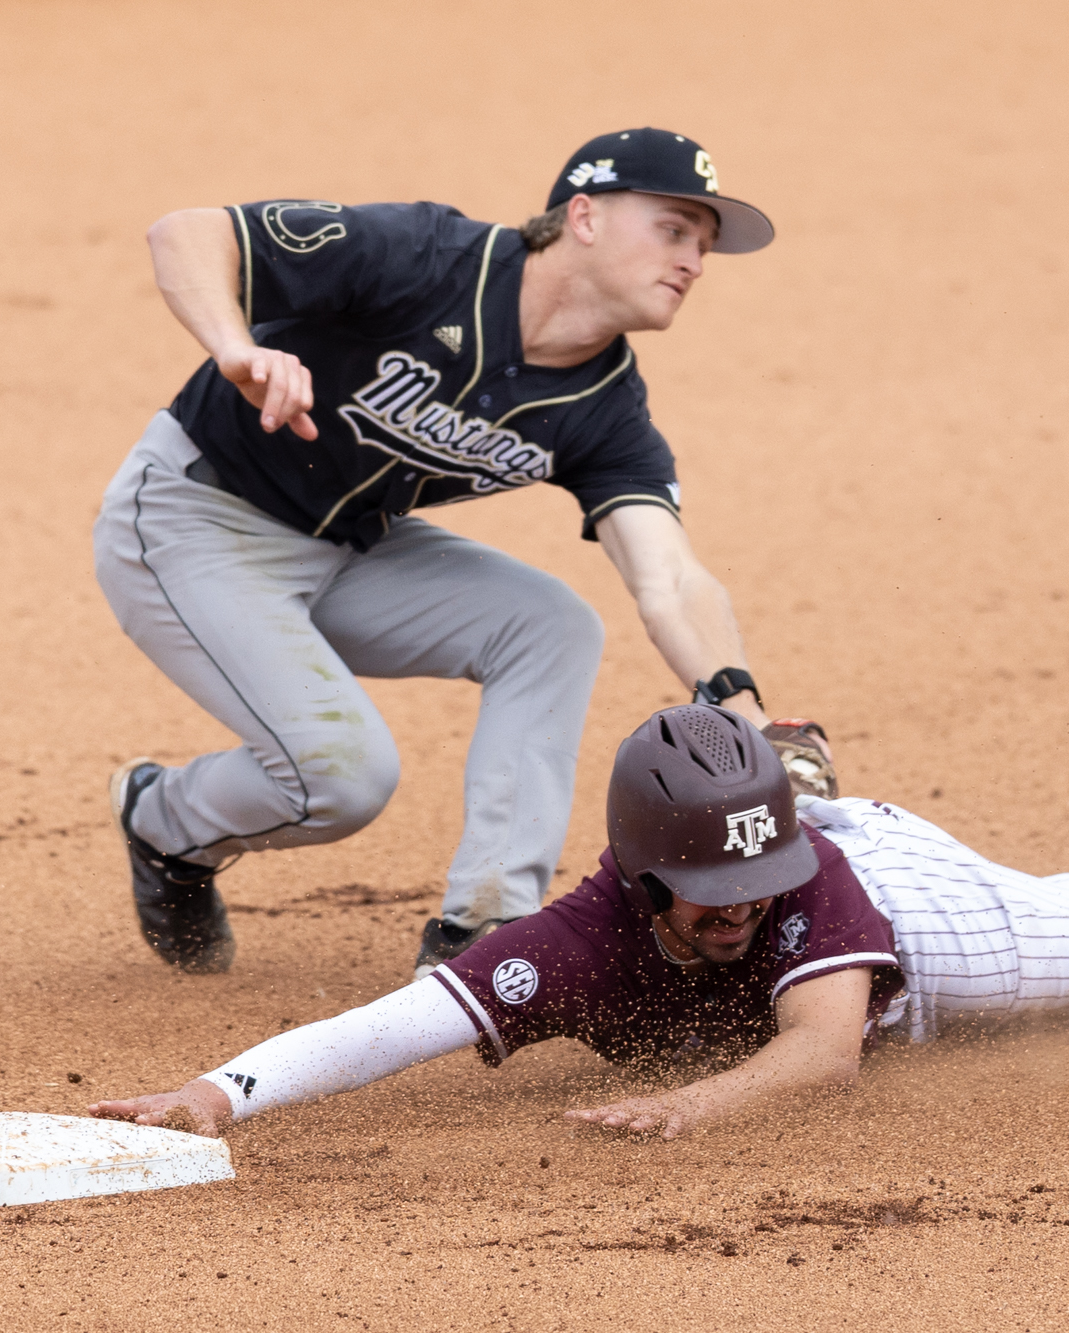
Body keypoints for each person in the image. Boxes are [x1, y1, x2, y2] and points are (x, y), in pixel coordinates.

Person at [89, 705, 1069, 1140]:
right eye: (704, 901)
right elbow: (399, 1022)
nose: (733, 920)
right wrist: (228, 1090)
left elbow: (824, 1047)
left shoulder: (803, 889)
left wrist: (695, 1108)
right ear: (639, 882)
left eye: (747, 892)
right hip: (806, 829)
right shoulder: (579, 936)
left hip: (908, 901)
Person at [92, 129, 814, 979]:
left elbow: (669, 575)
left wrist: (744, 709)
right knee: (343, 778)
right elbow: (184, 231)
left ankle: (486, 927)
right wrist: (234, 346)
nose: (696, 259)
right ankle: (163, 820)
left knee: (553, 626)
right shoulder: (427, 258)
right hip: (193, 517)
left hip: (350, 547)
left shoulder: (605, 406)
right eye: (674, 227)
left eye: (704, 243)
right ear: (582, 215)